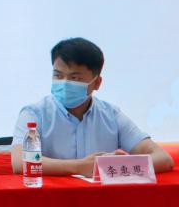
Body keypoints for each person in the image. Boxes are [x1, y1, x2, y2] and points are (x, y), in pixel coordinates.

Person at [11, 38, 174, 177]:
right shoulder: (34, 114)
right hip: (50, 199)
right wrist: (80, 167)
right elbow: (20, 162)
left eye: (75, 78)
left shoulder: (112, 115)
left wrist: (116, 165)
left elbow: (163, 159)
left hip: (101, 200)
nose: (65, 83)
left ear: (97, 83)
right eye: (58, 75)